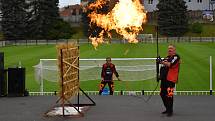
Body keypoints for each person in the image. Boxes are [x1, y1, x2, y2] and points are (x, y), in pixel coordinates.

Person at [159, 44, 180, 117]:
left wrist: (162, 62)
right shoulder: (167, 57)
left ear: (174, 50)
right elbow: (163, 63)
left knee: (169, 95)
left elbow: (171, 64)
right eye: (168, 48)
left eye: (171, 48)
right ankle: (167, 108)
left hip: (171, 79)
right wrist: (159, 60)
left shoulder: (176, 57)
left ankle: (170, 111)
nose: (169, 50)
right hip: (164, 79)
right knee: (162, 94)